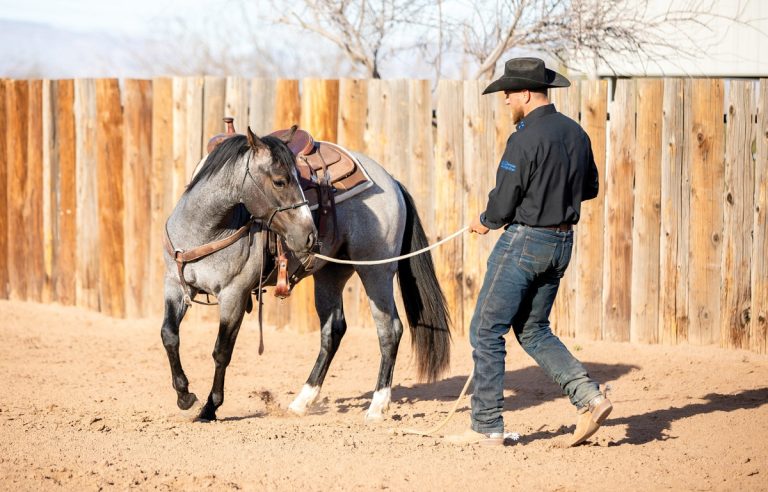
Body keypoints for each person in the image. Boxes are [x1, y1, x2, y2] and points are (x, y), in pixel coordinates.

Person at [446, 57, 611, 447]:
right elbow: (590, 189)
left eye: (507, 93)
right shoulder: (577, 134)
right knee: (533, 329)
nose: (504, 100)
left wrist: (486, 219)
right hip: (561, 244)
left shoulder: (523, 139)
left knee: (485, 330)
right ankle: (589, 397)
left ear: (525, 94)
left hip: (525, 242)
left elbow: (504, 202)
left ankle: (486, 426)